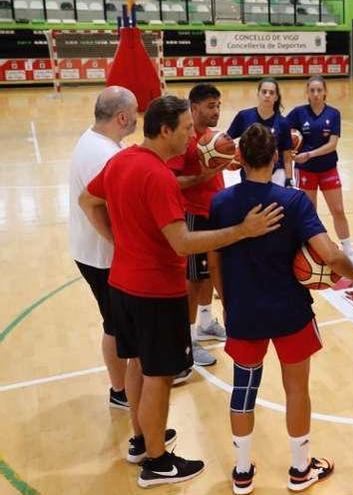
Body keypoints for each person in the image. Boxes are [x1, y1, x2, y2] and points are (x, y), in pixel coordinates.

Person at [79, 95, 284, 488]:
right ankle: (156, 462)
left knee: (137, 364)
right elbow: (182, 242)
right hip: (156, 291)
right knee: (159, 376)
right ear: (166, 130)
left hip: (122, 283)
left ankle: (142, 440)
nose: (193, 136)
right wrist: (243, 231)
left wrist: (119, 242)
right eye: (187, 129)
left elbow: (88, 201)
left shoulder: (121, 160)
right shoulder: (158, 177)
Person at [208, 123, 353, 494]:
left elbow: (214, 261)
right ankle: (299, 469)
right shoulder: (293, 202)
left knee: (243, 391)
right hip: (290, 312)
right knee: (297, 391)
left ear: (240, 158)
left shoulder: (222, 203)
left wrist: (226, 301)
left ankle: (243, 473)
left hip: (244, 312)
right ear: (277, 157)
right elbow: (328, 254)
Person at [69, 86, 138, 410]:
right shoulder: (105, 155)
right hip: (102, 257)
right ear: (122, 117)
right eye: (134, 112)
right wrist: (118, 243)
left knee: (114, 322)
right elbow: (93, 206)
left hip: (90, 252)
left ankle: (122, 388)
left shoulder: (94, 140)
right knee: (115, 325)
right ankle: (121, 391)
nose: (137, 117)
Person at [166, 83, 227, 373]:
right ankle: (188, 341)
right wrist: (203, 176)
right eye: (210, 106)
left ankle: (205, 322)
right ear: (194, 107)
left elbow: (216, 169)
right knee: (192, 279)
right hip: (193, 215)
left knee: (207, 275)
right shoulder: (185, 140)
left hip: (214, 211)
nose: (216, 111)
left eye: (218, 105)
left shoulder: (212, 138)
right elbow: (170, 181)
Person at [287, 75, 353, 268]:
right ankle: (312, 252)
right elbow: (283, 131)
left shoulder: (333, 114)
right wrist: (291, 150)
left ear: (325, 92)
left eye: (319, 90)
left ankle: (348, 251)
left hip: (328, 168)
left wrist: (309, 154)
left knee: (338, 210)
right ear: (307, 93)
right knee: (309, 214)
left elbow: (332, 144)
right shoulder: (298, 113)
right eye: (312, 90)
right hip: (305, 171)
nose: (316, 94)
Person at [226, 77, 294, 187]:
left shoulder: (283, 123)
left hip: (276, 174)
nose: (267, 95)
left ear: (276, 97)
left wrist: (289, 179)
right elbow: (227, 142)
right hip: (249, 173)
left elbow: (287, 157)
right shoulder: (243, 116)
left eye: (271, 93)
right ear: (258, 94)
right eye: (264, 92)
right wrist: (229, 158)